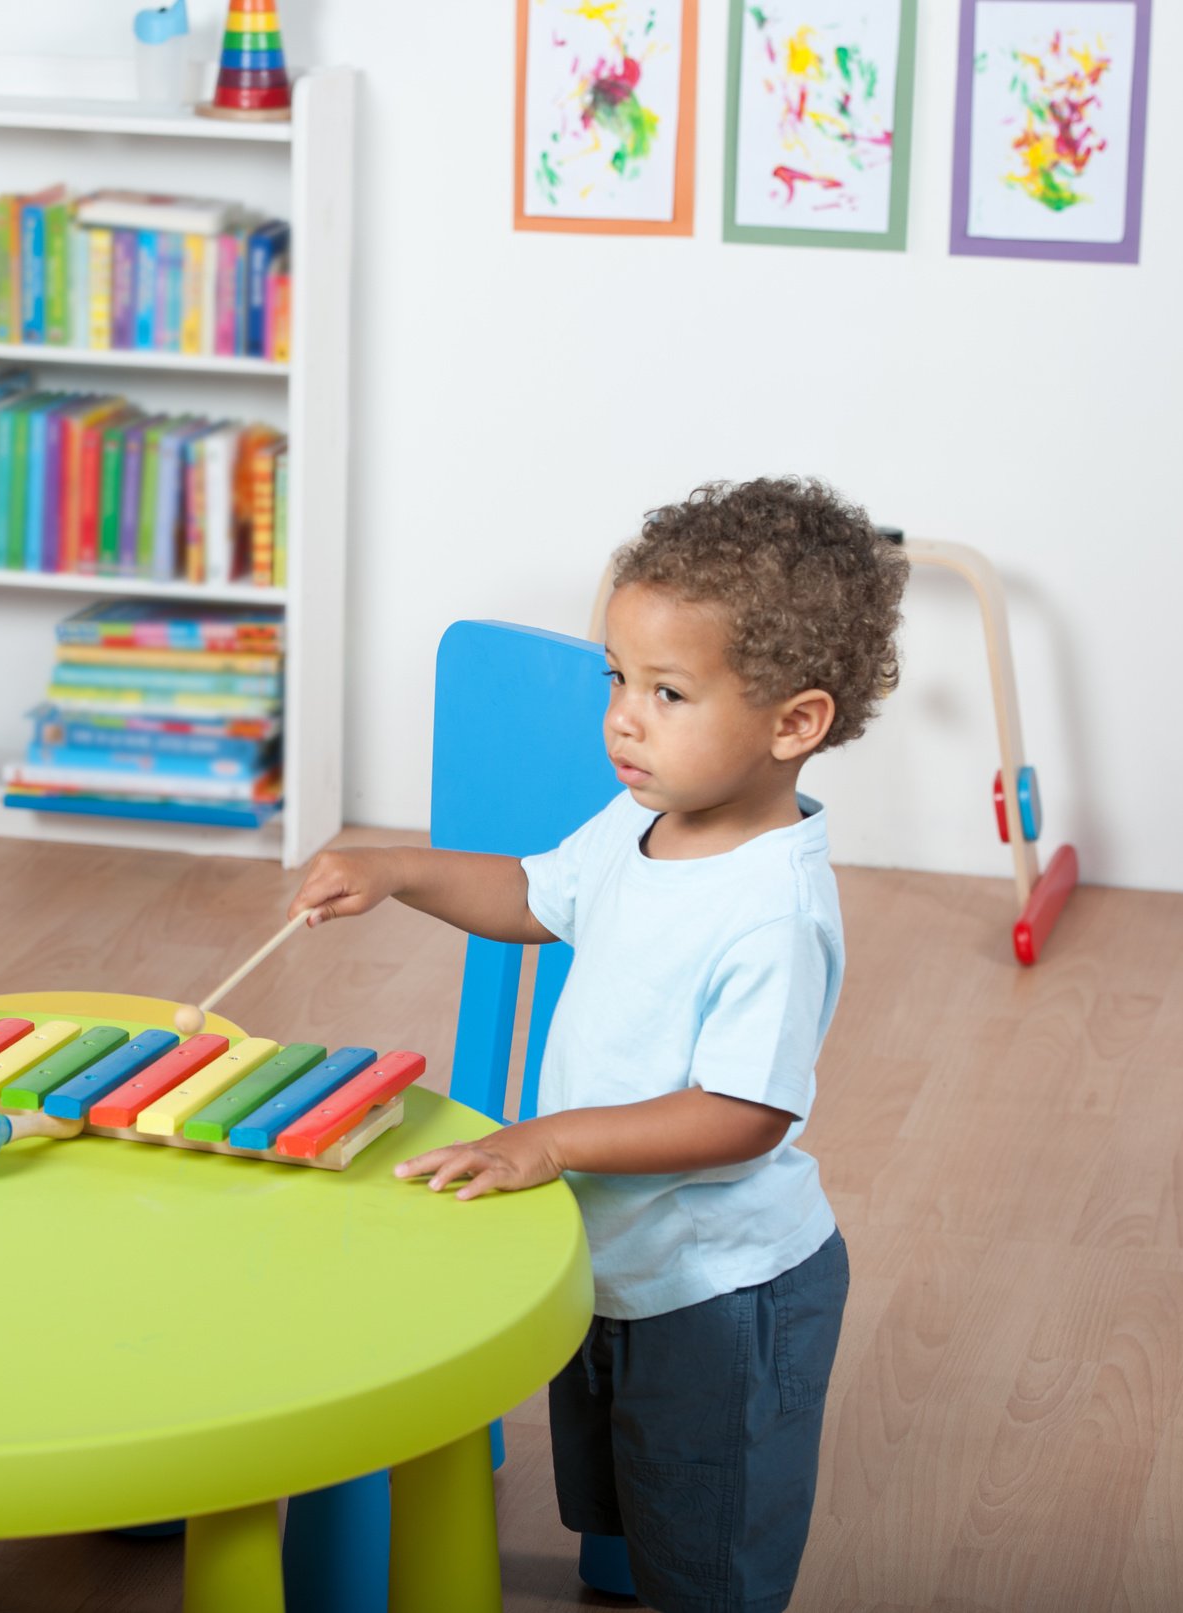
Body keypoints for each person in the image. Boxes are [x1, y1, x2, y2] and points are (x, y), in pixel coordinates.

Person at [288, 477, 908, 1612]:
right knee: (626, 1505)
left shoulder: (768, 908)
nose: (622, 715)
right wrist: (397, 868)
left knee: (704, 1553)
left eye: (667, 690)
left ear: (793, 721)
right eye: (617, 677)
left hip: (720, 1294)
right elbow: (538, 892)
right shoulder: (643, 817)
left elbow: (743, 1114)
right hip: (614, 1259)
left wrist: (552, 1139)